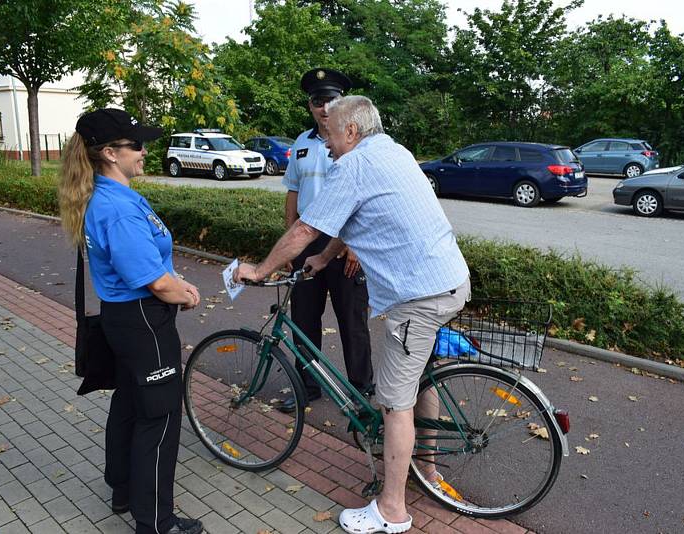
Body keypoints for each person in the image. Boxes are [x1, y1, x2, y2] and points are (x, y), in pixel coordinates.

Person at [234, 95, 470, 534]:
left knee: (394, 402)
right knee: (421, 377)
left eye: (329, 134)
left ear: (351, 132)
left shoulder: (355, 164)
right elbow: (351, 219)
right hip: (449, 280)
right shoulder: (393, 150)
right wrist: (324, 259)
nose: (324, 143)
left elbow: (305, 226)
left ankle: (392, 511)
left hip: (418, 296)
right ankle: (428, 470)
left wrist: (260, 268)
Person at [57, 108, 204, 534]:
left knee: (128, 404)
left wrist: (173, 279)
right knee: (158, 418)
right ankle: (156, 522)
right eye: (136, 145)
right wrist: (185, 292)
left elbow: (150, 262)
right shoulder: (115, 208)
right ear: (109, 153)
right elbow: (154, 282)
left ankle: (122, 488)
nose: (145, 151)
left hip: (126, 318)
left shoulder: (112, 196)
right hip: (144, 321)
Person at [277, 67, 373, 412]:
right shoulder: (301, 144)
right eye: (318, 101)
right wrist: (291, 240)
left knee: (352, 320)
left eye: (331, 99)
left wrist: (354, 245)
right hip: (307, 243)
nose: (324, 107)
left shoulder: (355, 142)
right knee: (304, 318)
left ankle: (362, 390)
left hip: (345, 242)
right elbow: (293, 193)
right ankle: (307, 386)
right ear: (310, 106)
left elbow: (364, 198)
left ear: (342, 103)